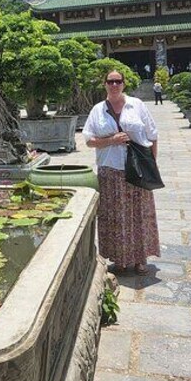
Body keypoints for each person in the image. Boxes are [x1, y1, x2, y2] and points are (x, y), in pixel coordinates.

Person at [83, 69, 160, 274]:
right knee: (114, 216)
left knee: (139, 214)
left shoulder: (137, 105)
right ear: (105, 84)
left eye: (118, 81)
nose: (114, 85)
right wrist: (111, 140)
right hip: (110, 169)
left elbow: (152, 134)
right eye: (110, 81)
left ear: (124, 84)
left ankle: (140, 258)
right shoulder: (97, 110)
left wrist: (152, 163)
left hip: (137, 169)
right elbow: (89, 140)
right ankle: (120, 259)